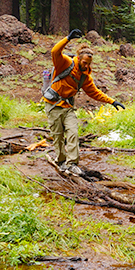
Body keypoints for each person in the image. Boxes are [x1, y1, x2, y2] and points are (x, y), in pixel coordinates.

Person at [42, 29, 125, 176]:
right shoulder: (65, 63)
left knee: (73, 132)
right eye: (85, 63)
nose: (86, 66)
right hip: (53, 105)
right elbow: (55, 51)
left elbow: (95, 92)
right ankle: (61, 162)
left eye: (89, 64)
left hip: (68, 107)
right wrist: (67, 39)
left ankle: (72, 164)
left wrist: (112, 102)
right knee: (58, 136)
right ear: (79, 59)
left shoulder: (85, 77)